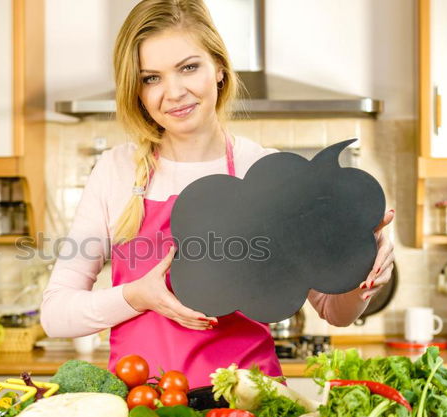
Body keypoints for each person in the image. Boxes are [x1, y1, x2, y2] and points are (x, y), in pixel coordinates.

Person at [41, 0, 395, 388]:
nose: (173, 92)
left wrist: (364, 272)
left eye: (188, 67)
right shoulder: (116, 171)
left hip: (251, 409)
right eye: (151, 78)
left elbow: (333, 310)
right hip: (143, 410)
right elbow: (56, 314)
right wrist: (138, 296)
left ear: (219, 69)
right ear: (137, 90)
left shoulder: (265, 170)